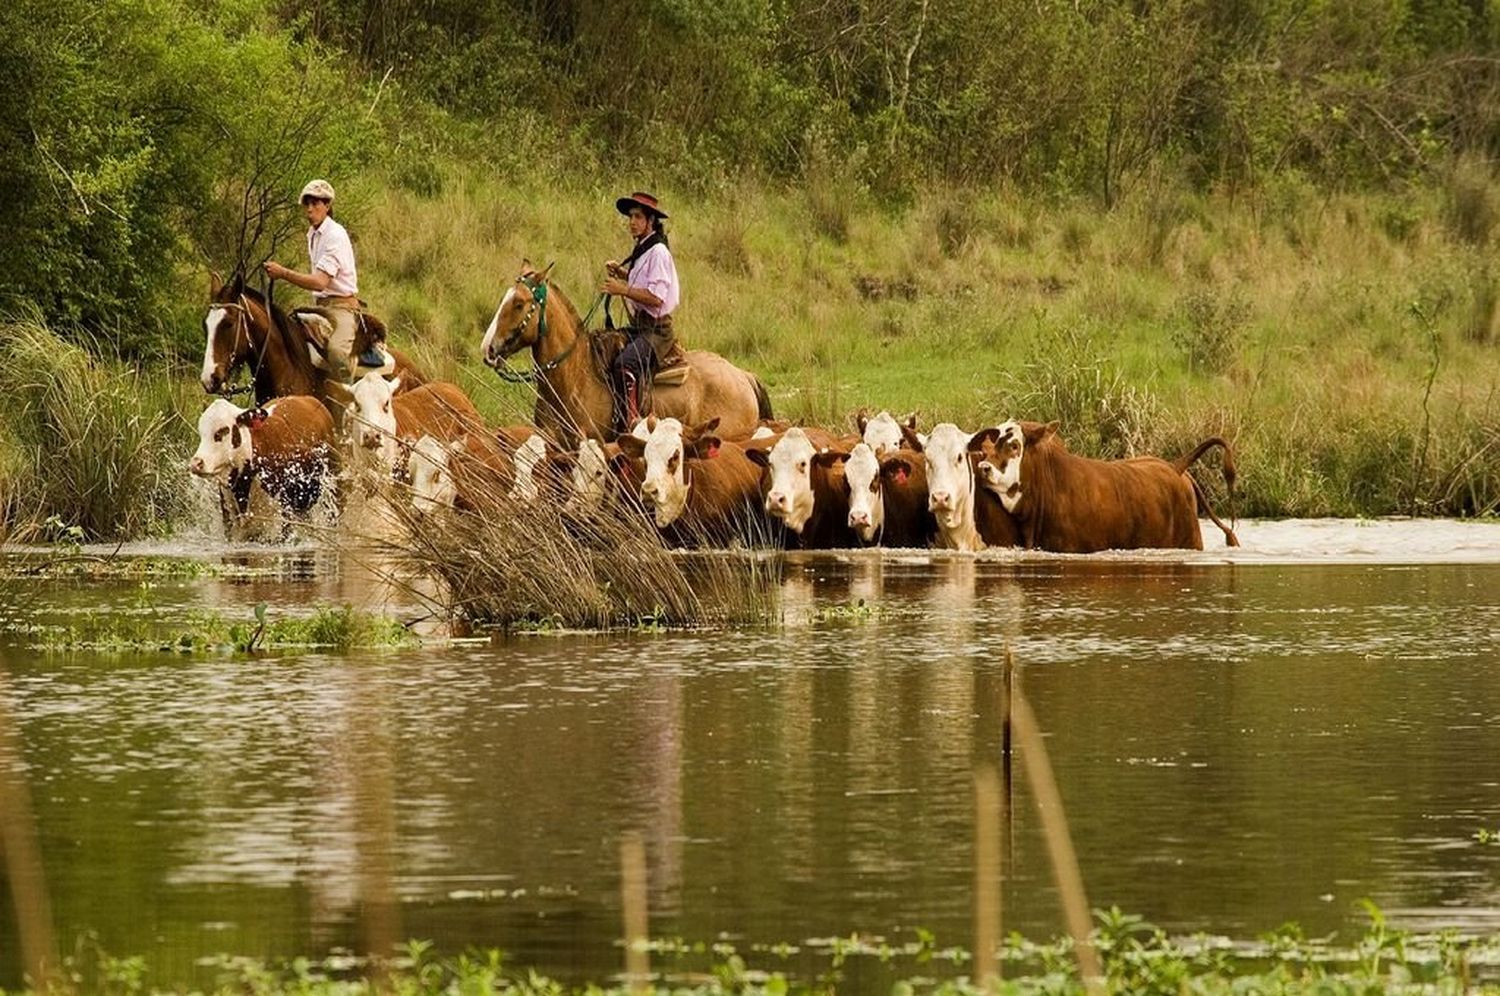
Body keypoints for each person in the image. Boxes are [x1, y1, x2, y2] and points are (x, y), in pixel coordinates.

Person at [264, 179, 384, 379]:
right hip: (320, 306)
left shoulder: (335, 235)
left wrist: (283, 273)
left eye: (316, 203)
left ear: (327, 206)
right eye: (307, 204)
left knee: (337, 353)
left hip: (342, 308)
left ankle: (348, 399)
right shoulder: (313, 234)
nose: (310, 209)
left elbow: (320, 282)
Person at [601, 191, 679, 430]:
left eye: (637, 217)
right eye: (630, 217)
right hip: (640, 326)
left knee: (625, 364)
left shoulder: (658, 252)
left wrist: (622, 289)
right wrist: (623, 274)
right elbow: (645, 284)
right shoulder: (644, 248)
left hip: (656, 331)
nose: (632, 222)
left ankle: (629, 423)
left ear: (650, 221)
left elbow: (656, 298)